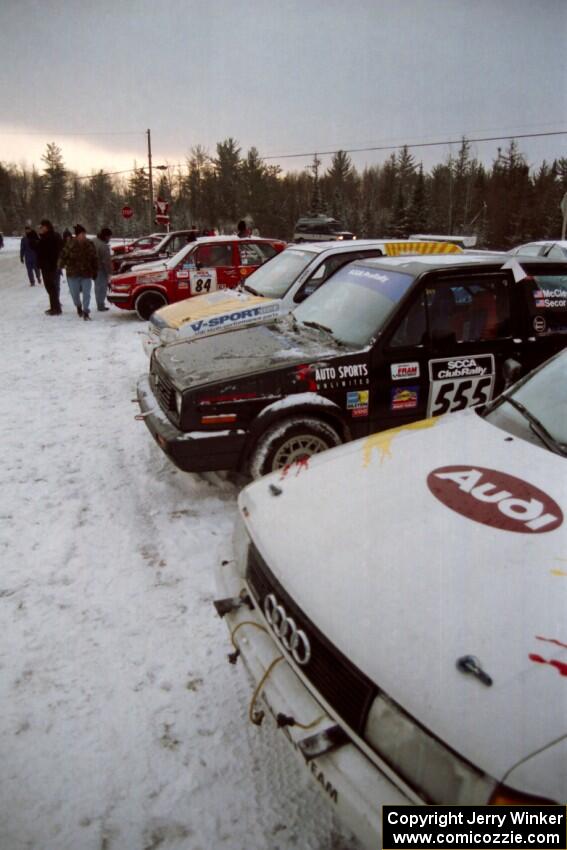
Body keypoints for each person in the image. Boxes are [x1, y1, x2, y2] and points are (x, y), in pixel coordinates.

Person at [59, 224, 98, 320]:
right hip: (73, 273)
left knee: (87, 293)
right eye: (82, 234)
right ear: (77, 235)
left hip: (86, 273)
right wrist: (60, 265)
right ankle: (78, 305)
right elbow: (63, 256)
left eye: (84, 234)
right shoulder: (70, 244)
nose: (84, 236)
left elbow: (94, 258)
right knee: (74, 293)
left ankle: (86, 311)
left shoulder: (89, 243)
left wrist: (95, 270)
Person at [36, 219, 63, 315]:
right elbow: (37, 248)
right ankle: (54, 307)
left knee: (52, 287)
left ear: (47, 227)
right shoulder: (44, 237)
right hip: (45, 266)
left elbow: (55, 251)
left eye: (42, 227)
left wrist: (54, 263)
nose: (41, 229)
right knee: (49, 288)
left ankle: (56, 308)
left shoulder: (52, 237)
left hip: (51, 266)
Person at [93, 227, 112, 311]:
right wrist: (109, 272)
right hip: (100, 269)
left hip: (92, 268)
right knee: (102, 287)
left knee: (97, 287)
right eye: (109, 237)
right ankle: (100, 305)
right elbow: (106, 261)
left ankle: (99, 304)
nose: (110, 239)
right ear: (106, 236)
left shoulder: (94, 241)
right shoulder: (103, 246)